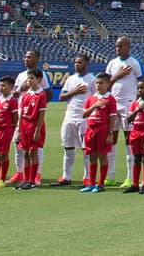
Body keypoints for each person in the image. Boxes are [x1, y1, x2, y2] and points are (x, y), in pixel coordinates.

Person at [52, 53, 96, 187]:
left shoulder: (92, 80)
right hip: (70, 116)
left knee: (86, 149)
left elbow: (96, 97)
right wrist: (75, 91)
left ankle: (87, 177)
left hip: (84, 118)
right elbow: (61, 97)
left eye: (80, 62)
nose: (77, 65)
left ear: (87, 64)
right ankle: (66, 176)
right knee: (68, 147)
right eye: (76, 63)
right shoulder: (70, 79)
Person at [105, 35, 144, 188]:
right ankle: (111, 175)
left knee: (129, 140)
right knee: (111, 138)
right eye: (116, 46)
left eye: (121, 46)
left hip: (129, 103)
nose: (118, 49)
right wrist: (117, 76)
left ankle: (130, 177)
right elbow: (106, 84)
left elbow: (143, 83)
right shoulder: (112, 64)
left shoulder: (135, 63)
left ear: (128, 46)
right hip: (114, 104)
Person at [12, 49, 52, 185]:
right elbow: (15, 94)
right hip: (22, 117)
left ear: (37, 58)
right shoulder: (21, 76)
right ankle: (21, 174)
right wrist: (19, 90)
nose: (26, 59)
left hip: (33, 119)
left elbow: (48, 92)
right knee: (19, 146)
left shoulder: (42, 76)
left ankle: (36, 176)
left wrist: (38, 106)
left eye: (30, 57)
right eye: (25, 57)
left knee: (34, 150)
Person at [80, 72, 118, 193]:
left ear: (107, 84)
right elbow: (84, 114)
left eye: (101, 83)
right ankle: (91, 183)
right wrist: (95, 106)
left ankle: (101, 183)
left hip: (103, 129)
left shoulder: (110, 99)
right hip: (90, 129)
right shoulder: (91, 98)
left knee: (103, 156)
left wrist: (110, 133)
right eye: (96, 83)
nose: (98, 85)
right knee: (92, 156)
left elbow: (112, 118)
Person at [15, 68, 48, 190]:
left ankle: (33, 180)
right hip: (24, 125)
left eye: (32, 78)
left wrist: (38, 130)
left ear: (39, 80)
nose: (29, 80)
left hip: (34, 125)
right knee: (25, 154)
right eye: (28, 78)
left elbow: (41, 114)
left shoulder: (41, 95)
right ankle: (27, 179)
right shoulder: (26, 95)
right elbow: (21, 114)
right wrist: (18, 129)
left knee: (32, 152)